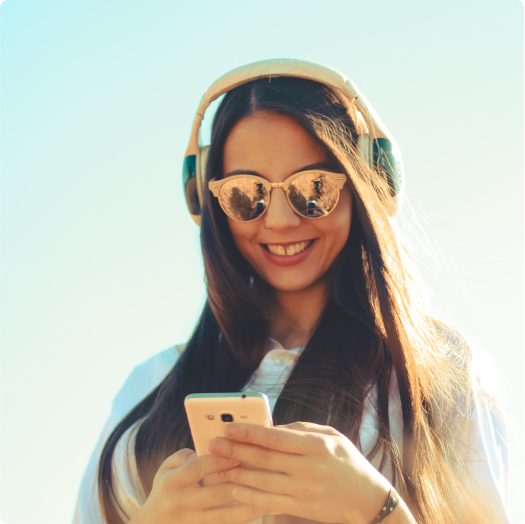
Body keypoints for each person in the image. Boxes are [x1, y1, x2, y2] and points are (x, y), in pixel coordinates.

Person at [72, 59, 511, 524]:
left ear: (366, 183)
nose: (280, 220)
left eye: (314, 188)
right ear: (211, 200)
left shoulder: (442, 372)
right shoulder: (149, 384)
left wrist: (377, 511)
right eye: (247, 193)